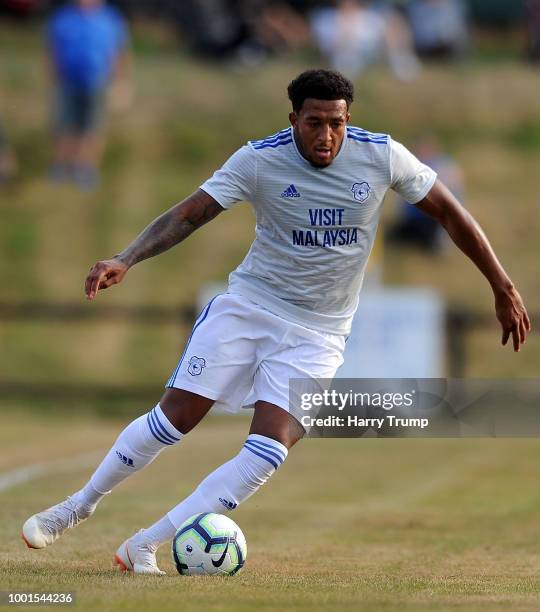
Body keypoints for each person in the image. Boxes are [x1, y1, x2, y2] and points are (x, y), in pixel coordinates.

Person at [22, 69, 530, 574]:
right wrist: (126, 258)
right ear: (294, 119)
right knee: (175, 420)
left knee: (268, 450)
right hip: (249, 310)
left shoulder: (381, 155)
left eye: (337, 122)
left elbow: (449, 212)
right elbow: (190, 214)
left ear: (349, 118)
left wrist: (501, 285)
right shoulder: (259, 160)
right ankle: (79, 505)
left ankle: (145, 545)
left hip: (321, 333)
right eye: (314, 122)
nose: (326, 135)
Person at [46, 0, 131, 190]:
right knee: (64, 125)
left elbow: (118, 53)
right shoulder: (63, 17)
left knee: (93, 127)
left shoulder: (110, 18)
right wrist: (51, 80)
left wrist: (120, 83)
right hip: (66, 82)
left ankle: (85, 169)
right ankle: (62, 166)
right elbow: (52, 50)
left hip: (97, 82)